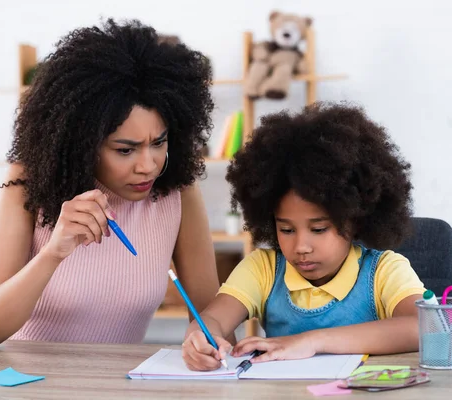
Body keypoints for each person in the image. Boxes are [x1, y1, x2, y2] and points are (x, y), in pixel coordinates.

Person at [0, 18, 225, 349]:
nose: (148, 166)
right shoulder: (27, 186)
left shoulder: (176, 192)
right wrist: (53, 253)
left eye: (159, 142)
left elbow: (212, 315)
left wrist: (208, 337)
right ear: (82, 142)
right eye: (125, 150)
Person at [181, 102, 425, 371]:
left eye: (318, 229)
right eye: (286, 229)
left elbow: (424, 327)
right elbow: (213, 319)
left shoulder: (384, 271)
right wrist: (199, 336)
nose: (301, 247)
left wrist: (311, 342)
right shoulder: (263, 269)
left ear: (354, 220)